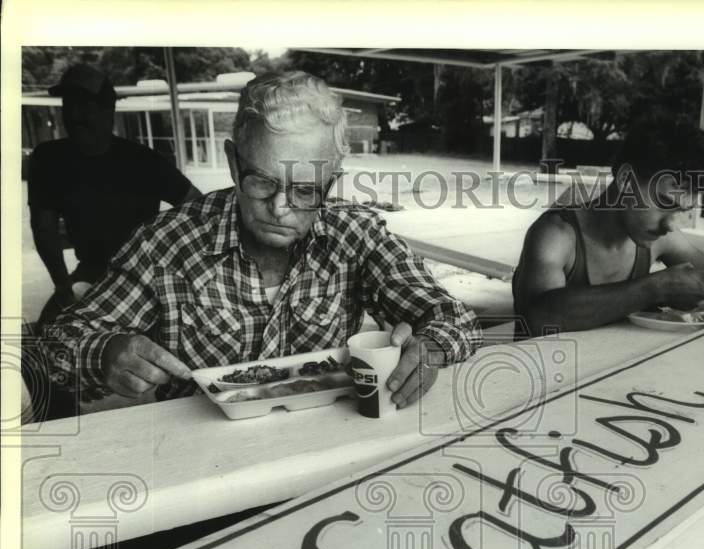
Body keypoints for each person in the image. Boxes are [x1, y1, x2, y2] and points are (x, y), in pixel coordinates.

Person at [43, 71, 479, 409]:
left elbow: (452, 316)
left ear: (332, 180)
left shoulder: (355, 235)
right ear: (234, 164)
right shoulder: (168, 244)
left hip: (324, 444)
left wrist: (433, 345)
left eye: (306, 189)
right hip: (200, 462)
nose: (281, 207)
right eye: (262, 183)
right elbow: (59, 343)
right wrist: (104, 352)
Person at [512, 112, 704, 336]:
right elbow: (537, 318)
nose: (670, 225)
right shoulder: (556, 235)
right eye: (664, 203)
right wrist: (654, 288)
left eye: (680, 210)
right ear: (625, 181)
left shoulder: (658, 238)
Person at [28, 63, 200, 325]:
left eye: (86, 105)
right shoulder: (49, 159)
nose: (75, 114)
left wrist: (182, 263)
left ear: (109, 110)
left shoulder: (143, 161)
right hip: (92, 271)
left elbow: (198, 208)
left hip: (148, 273)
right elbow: (43, 227)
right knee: (49, 333)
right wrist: (62, 287)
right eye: (69, 104)